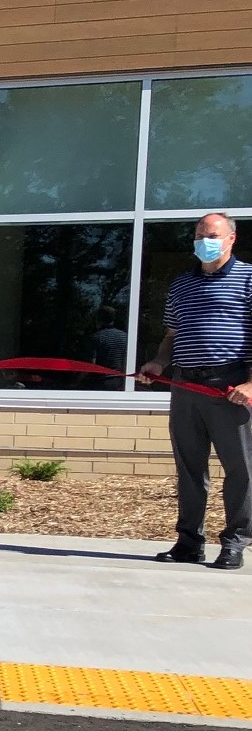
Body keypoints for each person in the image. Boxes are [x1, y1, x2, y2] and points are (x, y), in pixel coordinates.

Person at [136, 213, 252, 570]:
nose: (205, 241)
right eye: (199, 235)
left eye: (212, 234)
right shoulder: (182, 284)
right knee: (189, 468)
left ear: (231, 238)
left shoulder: (249, 278)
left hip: (230, 387)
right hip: (185, 385)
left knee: (241, 469)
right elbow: (171, 336)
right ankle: (189, 541)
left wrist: (251, 384)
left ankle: (235, 542)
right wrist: (158, 363)